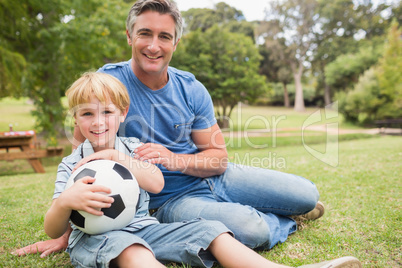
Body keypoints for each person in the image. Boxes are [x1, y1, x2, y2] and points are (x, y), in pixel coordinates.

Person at [14, 1, 353, 266]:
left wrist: (170, 159)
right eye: (145, 33)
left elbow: (219, 160)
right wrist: (72, 223)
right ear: (129, 36)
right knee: (254, 230)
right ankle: (279, 219)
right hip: (170, 201)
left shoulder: (191, 88)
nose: (153, 45)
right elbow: (81, 149)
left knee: (307, 194)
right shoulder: (109, 83)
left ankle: (289, 207)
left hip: (212, 177)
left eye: (164, 36)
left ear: (176, 41)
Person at [40, 71, 362, 268]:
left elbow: (154, 181)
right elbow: (52, 227)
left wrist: (116, 156)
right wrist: (67, 202)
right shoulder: (73, 166)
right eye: (87, 115)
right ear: (76, 120)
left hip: (145, 226)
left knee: (213, 231)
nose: (98, 122)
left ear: (122, 114)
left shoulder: (132, 146)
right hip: (106, 240)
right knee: (133, 253)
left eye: (107, 112)